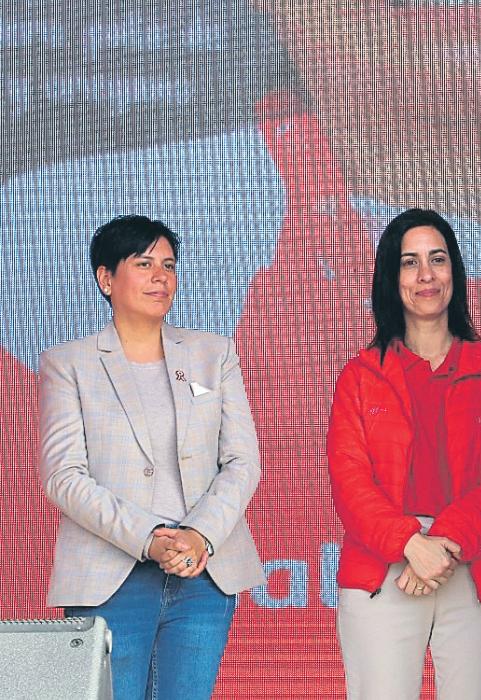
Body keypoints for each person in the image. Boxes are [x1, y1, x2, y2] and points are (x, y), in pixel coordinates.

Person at [38, 215, 265, 699]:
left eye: (169, 265)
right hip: (110, 579)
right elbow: (64, 476)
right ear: (106, 278)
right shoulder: (68, 363)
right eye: (144, 264)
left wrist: (198, 535)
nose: (161, 276)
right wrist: (149, 539)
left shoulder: (213, 354)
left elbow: (243, 461)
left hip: (202, 575)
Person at [326, 208, 481, 700]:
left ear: (455, 272)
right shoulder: (360, 375)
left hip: (477, 564)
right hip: (385, 568)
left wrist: (442, 544)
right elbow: (350, 481)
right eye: (410, 262)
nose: (426, 275)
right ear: (390, 277)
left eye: (437, 259)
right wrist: (410, 544)